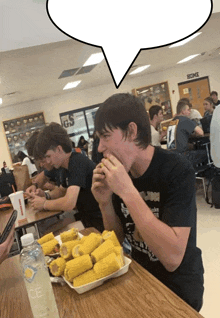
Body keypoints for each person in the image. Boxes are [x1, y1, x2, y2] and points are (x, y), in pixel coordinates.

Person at [91, 93, 204, 311]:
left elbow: (172, 258)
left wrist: (127, 191)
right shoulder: (121, 171)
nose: (100, 148)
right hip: (141, 280)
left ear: (131, 131)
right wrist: (105, 203)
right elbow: (117, 243)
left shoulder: (176, 169)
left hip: (179, 291)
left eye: (105, 136)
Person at [29, 123, 104, 232]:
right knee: (47, 232)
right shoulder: (65, 167)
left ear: (59, 149)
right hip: (84, 216)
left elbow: (69, 203)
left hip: (98, 220)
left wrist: (44, 204)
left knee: (53, 237)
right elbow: (62, 191)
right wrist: (45, 195)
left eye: (48, 156)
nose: (47, 161)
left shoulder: (77, 162)